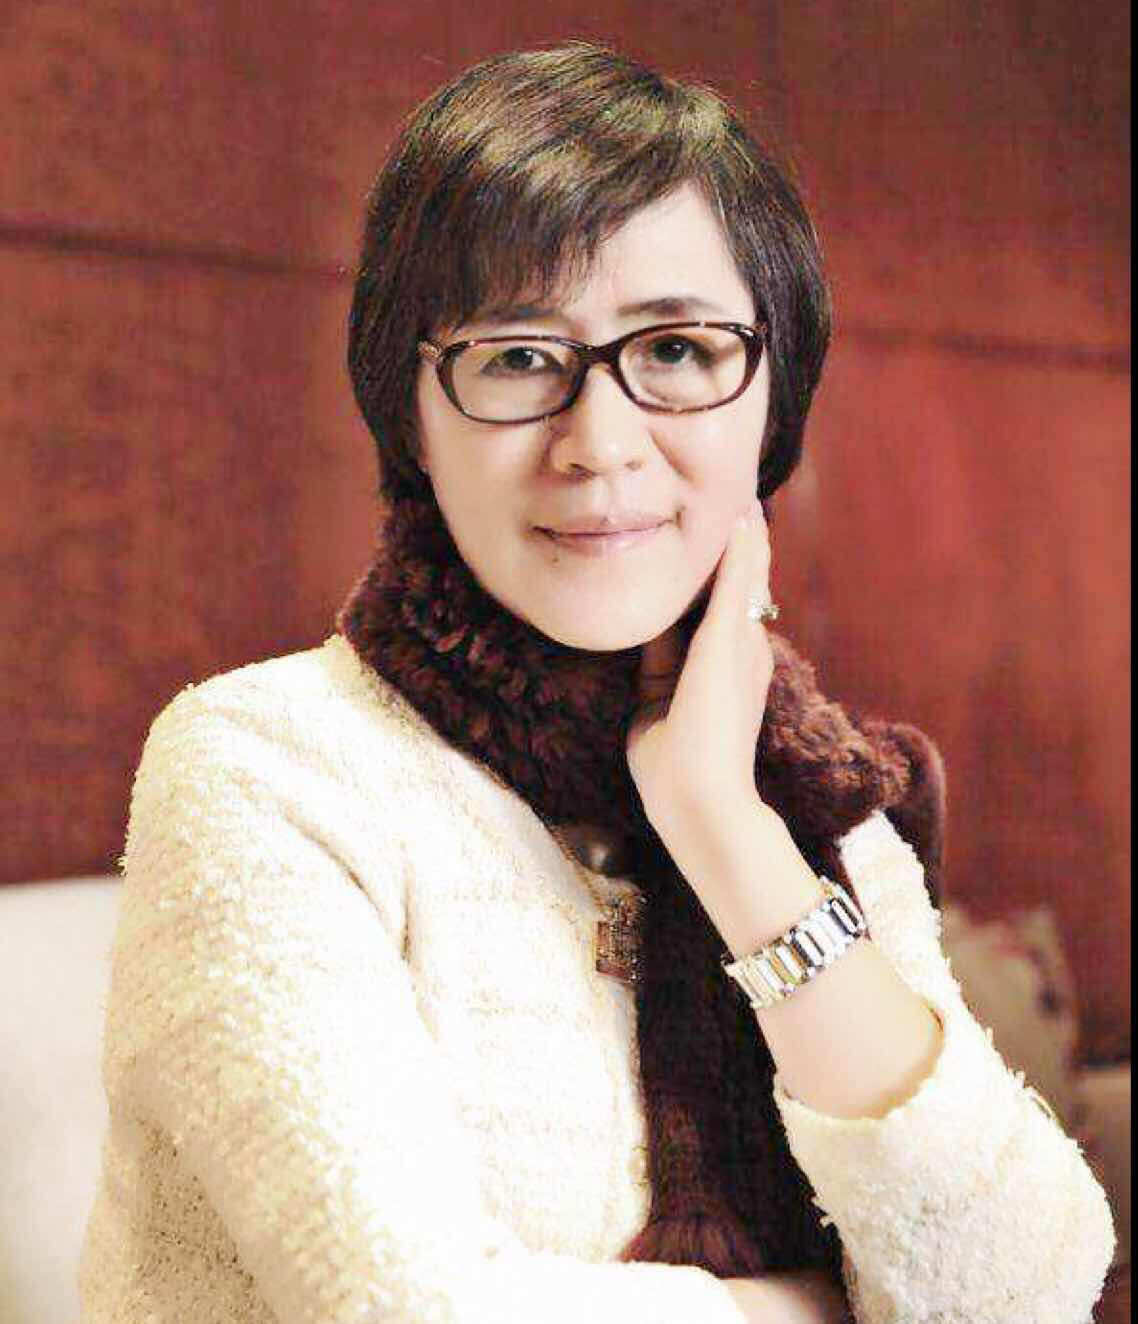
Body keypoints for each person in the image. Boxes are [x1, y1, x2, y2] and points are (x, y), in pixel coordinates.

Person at [80, 41, 1114, 1324]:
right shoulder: (263, 765)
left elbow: (1025, 1288)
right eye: (518, 357)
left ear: (771, 400)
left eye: (676, 347)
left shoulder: (804, 795)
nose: (601, 442)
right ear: (410, 410)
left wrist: (723, 826)